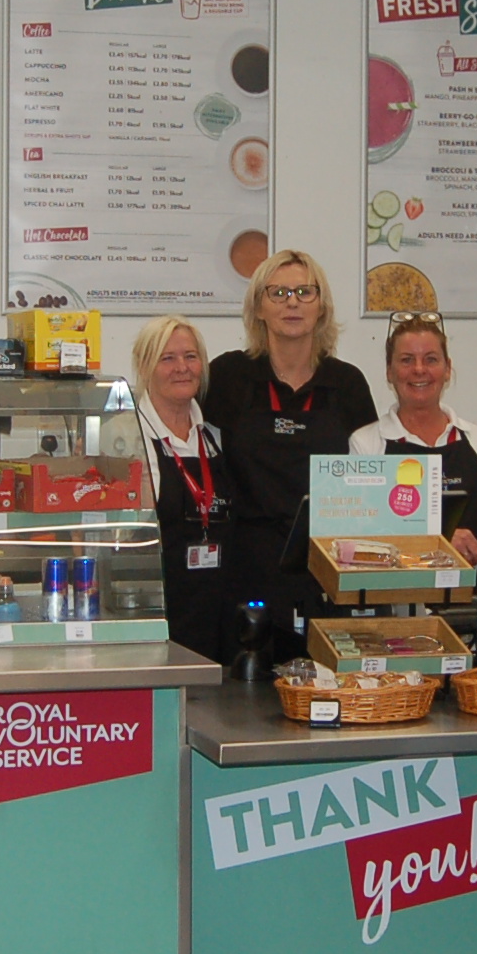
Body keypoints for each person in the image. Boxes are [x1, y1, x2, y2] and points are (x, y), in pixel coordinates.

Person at [199, 249, 376, 661]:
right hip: (244, 569)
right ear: (258, 307)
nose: (291, 302)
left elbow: (370, 479)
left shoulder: (347, 384)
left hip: (324, 572)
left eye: (304, 292)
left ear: (322, 307)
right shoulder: (227, 377)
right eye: (277, 292)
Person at [349, 312, 477, 587]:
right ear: (389, 372)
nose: (419, 369)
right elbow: (364, 542)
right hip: (399, 606)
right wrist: (441, 541)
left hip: (470, 603)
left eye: (431, 359)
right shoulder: (366, 444)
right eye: (406, 360)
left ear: (447, 369)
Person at [124, 314, 235, 662]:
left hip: (217, 614)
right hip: (158, 615)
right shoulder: (129, 438)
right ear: (145, 366)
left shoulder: (216, 436)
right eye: (167, 358)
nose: (181, 368)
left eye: (190, 356)